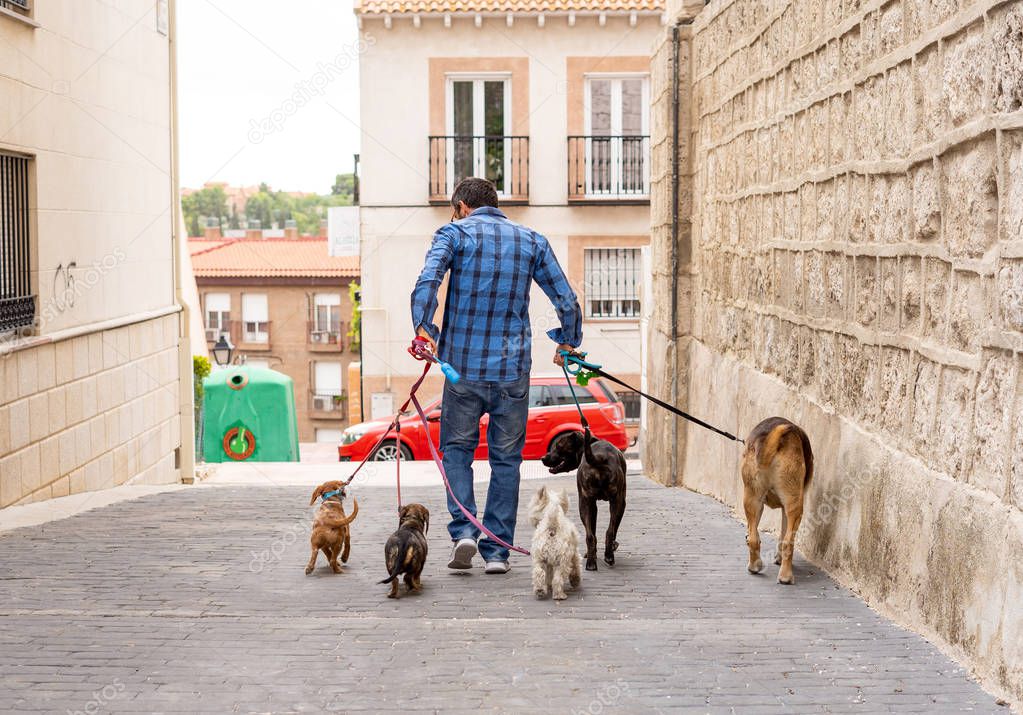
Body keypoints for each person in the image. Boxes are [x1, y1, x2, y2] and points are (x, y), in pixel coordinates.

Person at [410, 177, 582, 574]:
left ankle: (465, 530)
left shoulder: (453, 233)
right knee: (506, 461)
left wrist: (424, 330)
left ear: (461, 206)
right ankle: (497, 552)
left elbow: (428, 281)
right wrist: (568, 341)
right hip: (511, 372)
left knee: (457, 450)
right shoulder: (531, 240)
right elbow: (566, 298)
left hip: (462, 370)